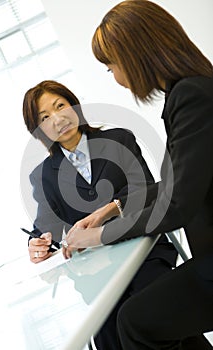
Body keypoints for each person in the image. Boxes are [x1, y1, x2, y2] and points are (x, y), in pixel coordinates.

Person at [63, 1, 213, 349]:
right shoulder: (191, 91)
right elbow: (183, 182)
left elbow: (177, 203)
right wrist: (113, 208)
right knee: (144, 319)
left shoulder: (191, 96)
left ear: (136, 55)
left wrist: (99, 236)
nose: (115, 77)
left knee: (134, 321)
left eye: (111, 65)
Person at [22, 80, 178, 349]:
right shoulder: (44, 176)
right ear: (39, 131)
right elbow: (44, 227)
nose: (58, 119)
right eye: (45, 118)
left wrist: (111, 209)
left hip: (145, 252)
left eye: (60, 106)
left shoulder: (120, 139)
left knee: (154, 316)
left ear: (75, 106)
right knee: (107, 336)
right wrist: (37, 244)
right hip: (98, 273)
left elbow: (147, 191)